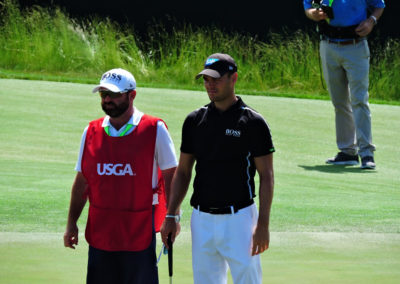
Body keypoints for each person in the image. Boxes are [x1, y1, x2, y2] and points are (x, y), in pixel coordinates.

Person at [160, 53, 275, 284]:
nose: (210, 85)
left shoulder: (253, 122)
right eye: (206, 80)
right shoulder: (195, 120)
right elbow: (183, 172)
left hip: (240, 218)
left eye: (216, 79)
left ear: (234, 78)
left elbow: (267, 176)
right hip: (201, 219)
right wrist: (171, 214)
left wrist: (262, 225)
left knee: (248, 281)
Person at [63, 68, 178, 284]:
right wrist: (71, 223)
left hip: (138, 232)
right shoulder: (91, 131)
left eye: (114, 95)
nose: (107, 100)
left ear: (131, 95)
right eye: (103, 94)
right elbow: (82, 181)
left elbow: (172, 176)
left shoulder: (155, 128)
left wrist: (172, 217)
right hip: (100, 233)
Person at [303, 0, 385, 169]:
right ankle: (348, 151)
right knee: (339, 102)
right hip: (328, 45)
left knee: (359, 99)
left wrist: (371, 21)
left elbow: (379, 5)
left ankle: (366, 152)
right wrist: (313, 14)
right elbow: (308, 7)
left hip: (356, 46)